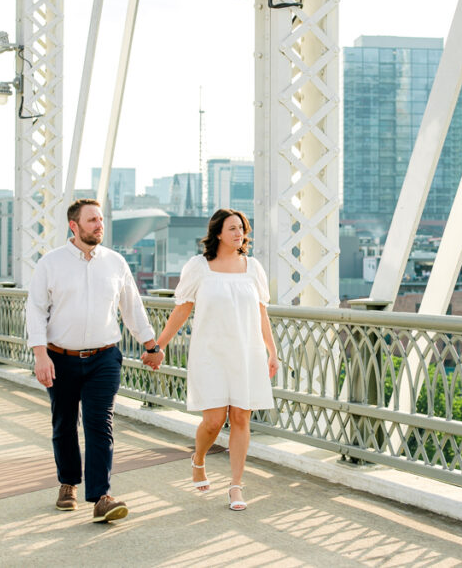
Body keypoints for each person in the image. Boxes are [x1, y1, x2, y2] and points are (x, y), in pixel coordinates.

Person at [26, 198, 161, 523]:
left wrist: (152, 345)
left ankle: (101, 496)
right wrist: (40, 354)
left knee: (99, 424)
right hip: (60, 358)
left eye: (101, 220)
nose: (99, 225)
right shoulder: (51, 263)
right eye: (92, 221)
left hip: (104, 357)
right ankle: (68, 483)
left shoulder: (115, 262)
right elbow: (35, 310)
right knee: (64, 424)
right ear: (74, 226)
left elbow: (132, 307)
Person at [144, 208, 279, 511]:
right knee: (214, 420)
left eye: (242, 228)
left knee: (242, 417)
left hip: (247, 352)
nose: (238, 234)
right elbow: (182, 310)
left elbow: (261, 312)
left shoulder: (253, 268)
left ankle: (236, 486)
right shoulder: (199, 267)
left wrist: (272, 351)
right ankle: (199, 458)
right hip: (210, 353)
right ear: (218, 232)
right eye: (232, 228)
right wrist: (157, 346)